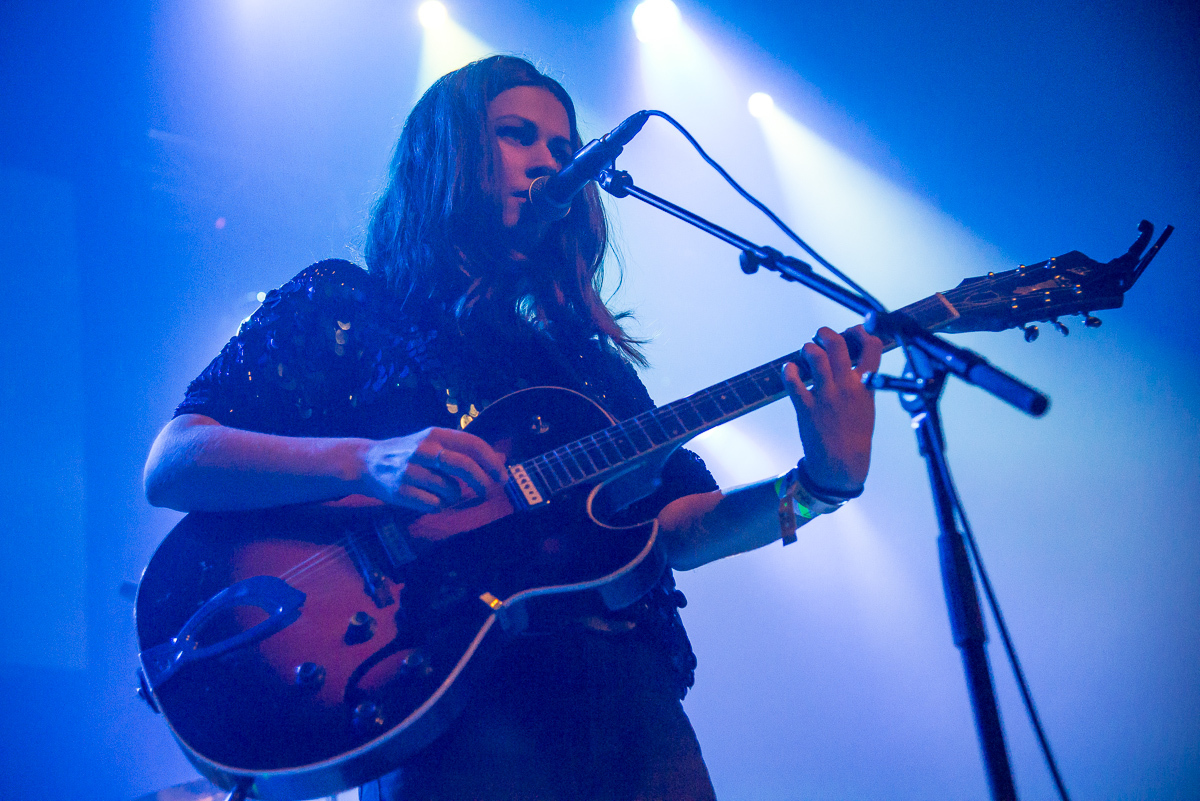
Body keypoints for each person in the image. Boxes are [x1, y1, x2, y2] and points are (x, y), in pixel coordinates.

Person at [144, 55, 883, 801]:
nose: (549, 161)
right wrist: (365, 462)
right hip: (450, 707)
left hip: (633, 710)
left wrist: (818, 485)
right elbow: (175, 462)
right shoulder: (345, 304)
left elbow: (678, 531)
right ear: (448, 156)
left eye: (564, 150)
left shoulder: (585, 365)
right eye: (517, 135)